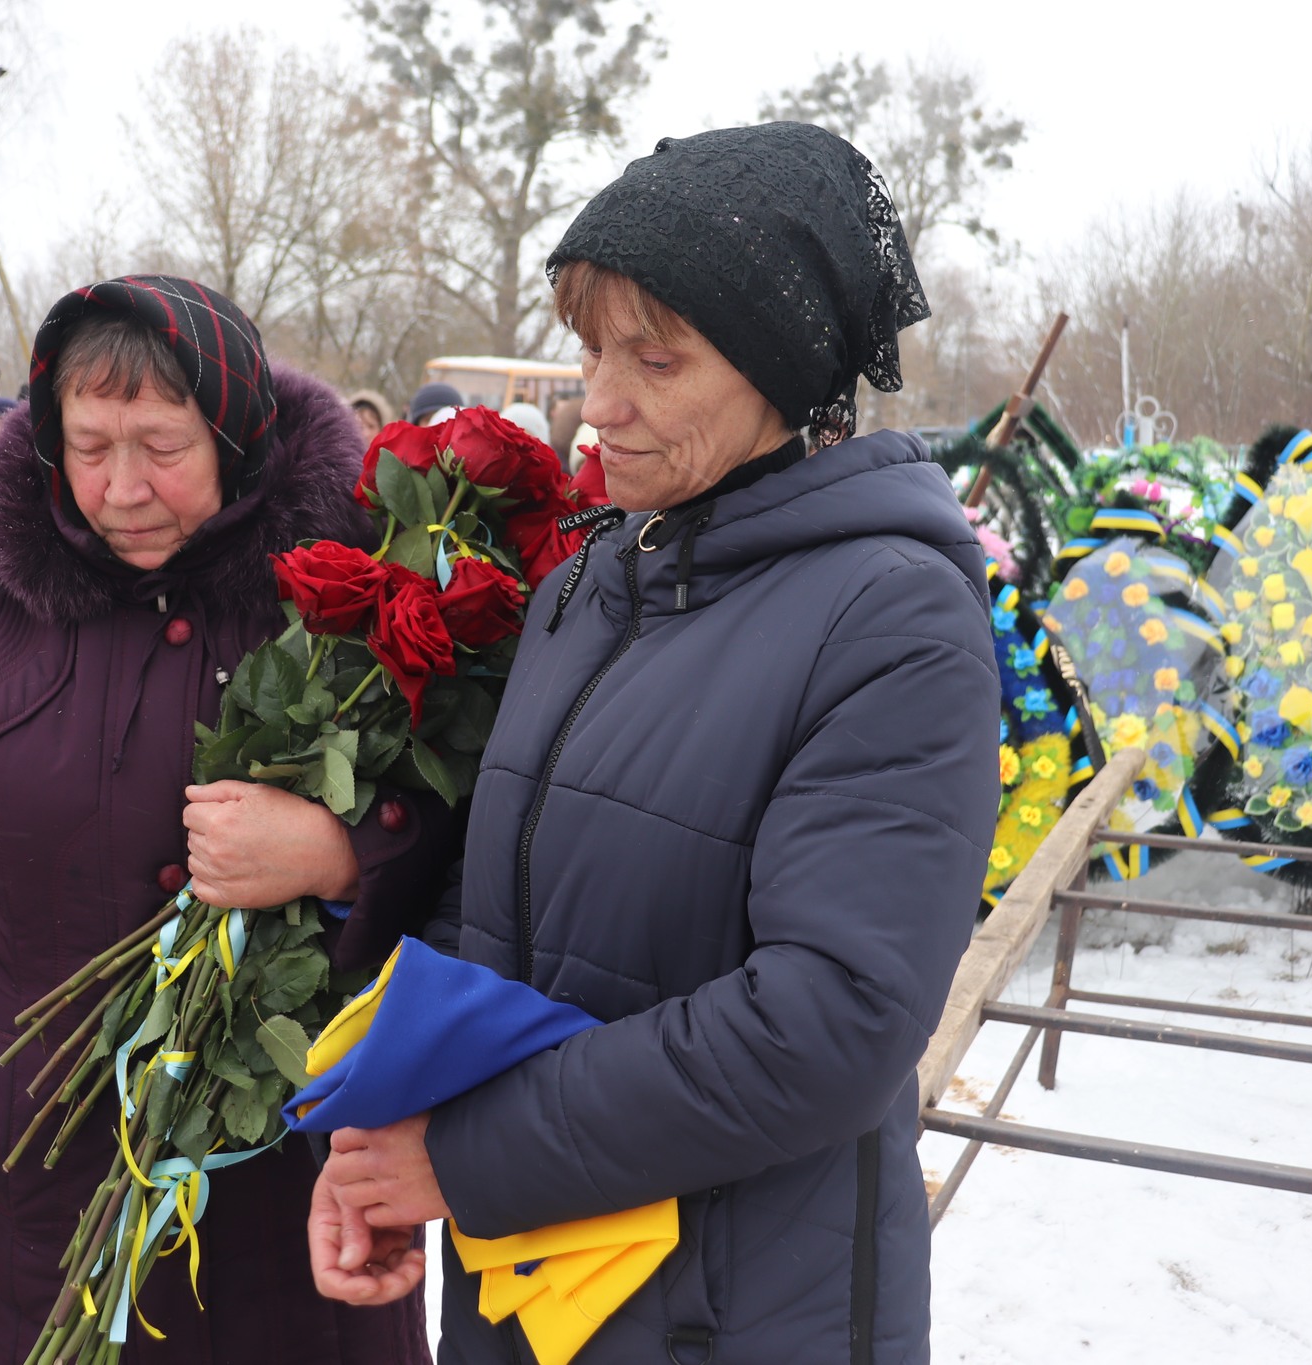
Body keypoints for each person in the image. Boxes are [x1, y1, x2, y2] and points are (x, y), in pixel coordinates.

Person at [310, 123, 995, 1365]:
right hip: (531, 1281)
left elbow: (826, 1024)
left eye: (656, 361)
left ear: (784, 378)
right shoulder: (590, 588)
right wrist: (381, 1147)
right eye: (587, 350)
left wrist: (463, 1161)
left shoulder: (891, 618)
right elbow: (494, 911)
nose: (598, 403)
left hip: (731, 1312)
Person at [0, 276, 449, 1364]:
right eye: (88, 445)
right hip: (53, 1186)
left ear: (237, 433)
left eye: (161, 445)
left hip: (305, 1187)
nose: (121, 488)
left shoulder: (355, 591)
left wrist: (346, 856)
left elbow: (485, 843)